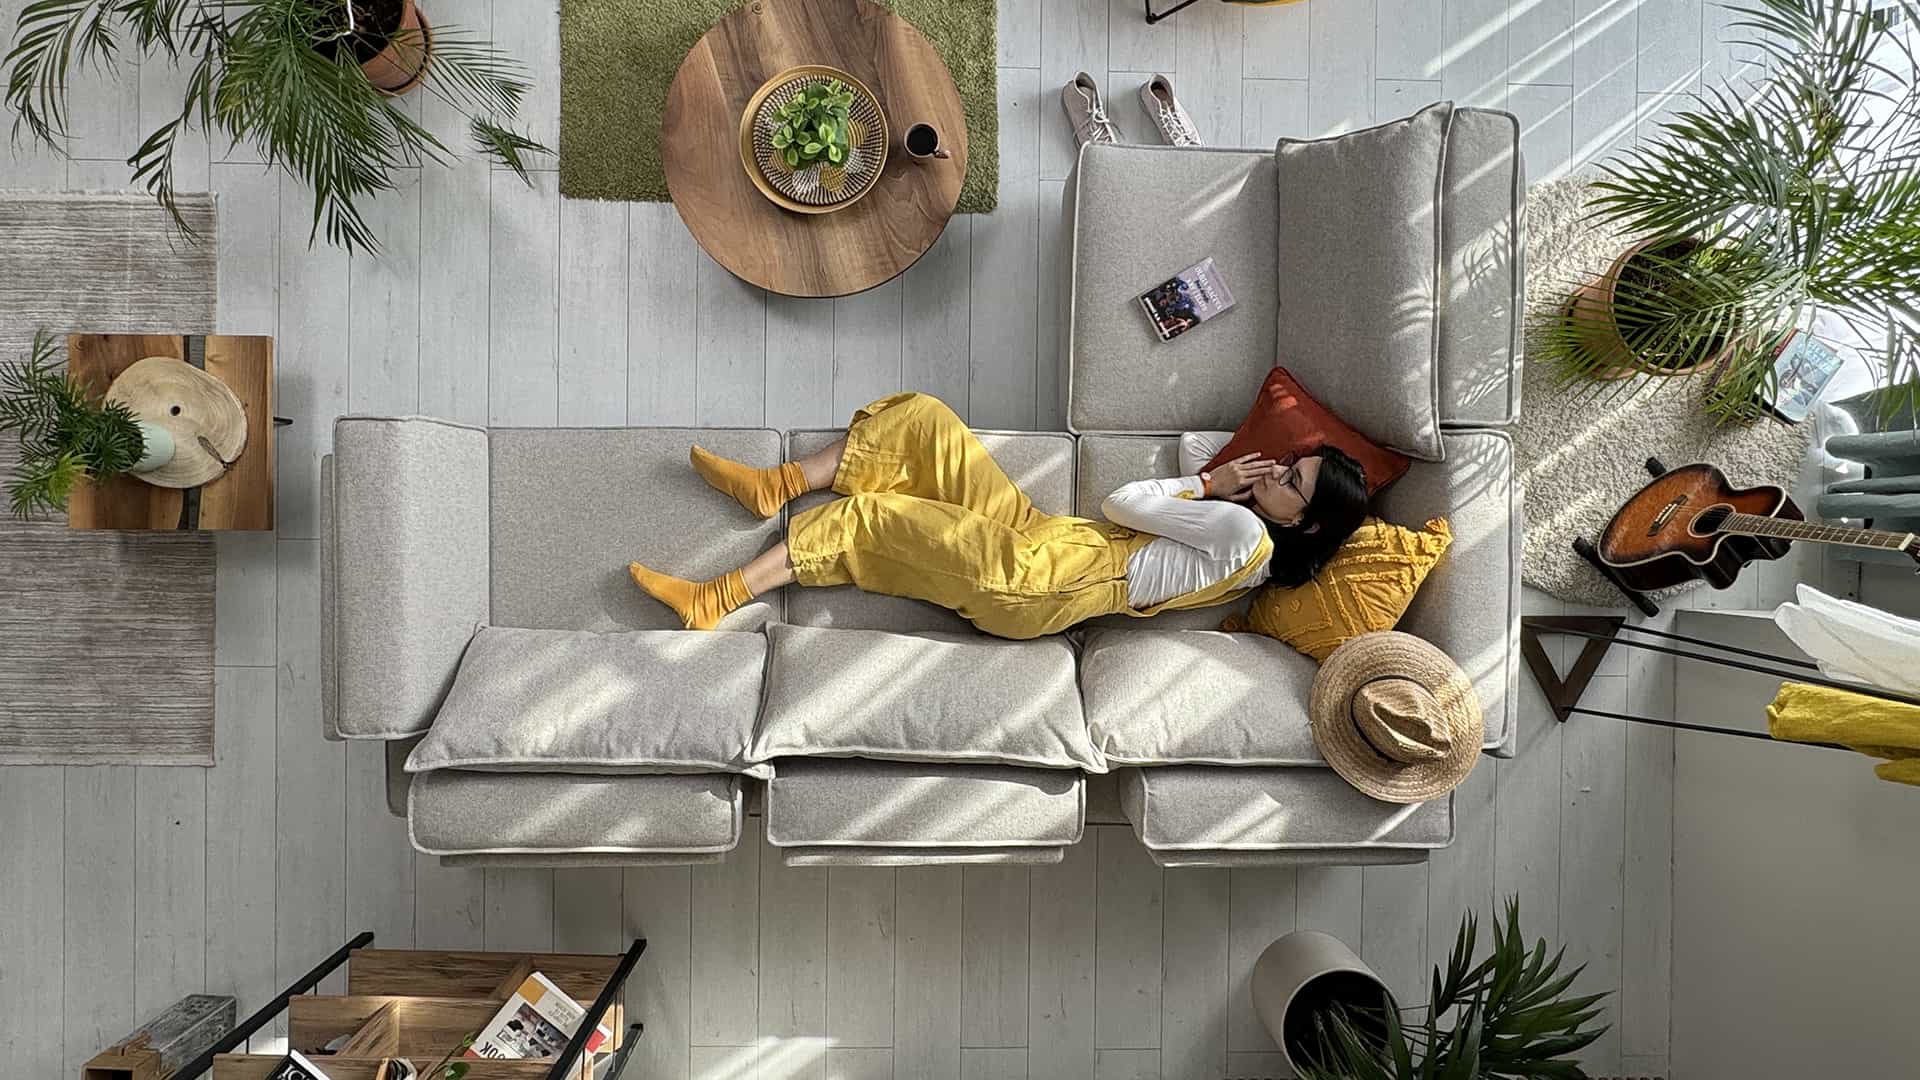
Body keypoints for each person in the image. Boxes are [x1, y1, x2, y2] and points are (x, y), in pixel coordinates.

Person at [628, 393, 1369, 640]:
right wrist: (1238, 478)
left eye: (1290, 479)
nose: (1274, 471)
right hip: (1045, 539)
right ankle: (779, 485)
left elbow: (1123, 504)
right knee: (926, 422)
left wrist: (1211, 484)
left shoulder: (1241, 530)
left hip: (1038, 581)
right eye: (1286, 461)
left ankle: (715, 598)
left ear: (1305, 524)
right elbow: (1197, 449)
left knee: (877, 518)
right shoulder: (1247, 535)